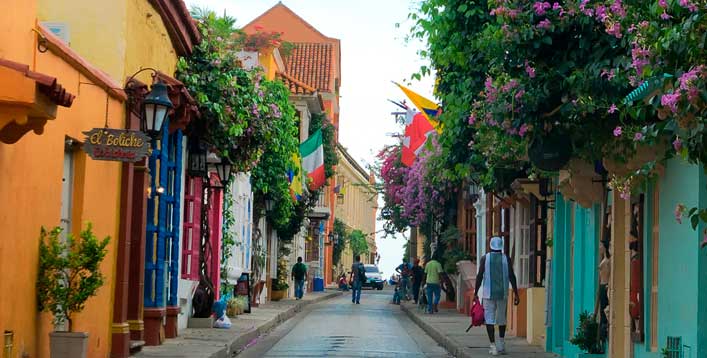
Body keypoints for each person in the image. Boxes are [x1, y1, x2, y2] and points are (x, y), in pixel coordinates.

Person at [474, 236, 520, 356]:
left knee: (489, 319)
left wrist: (475, 293)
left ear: (490, 245)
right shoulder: (506, 259)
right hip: (503, 293)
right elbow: (512, 276)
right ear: (501, 246)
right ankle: (501, 344)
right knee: (501, 319)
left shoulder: (485, 258)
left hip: (488, 294)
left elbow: (479, 276)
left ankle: (493, 346)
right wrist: (516, 292)